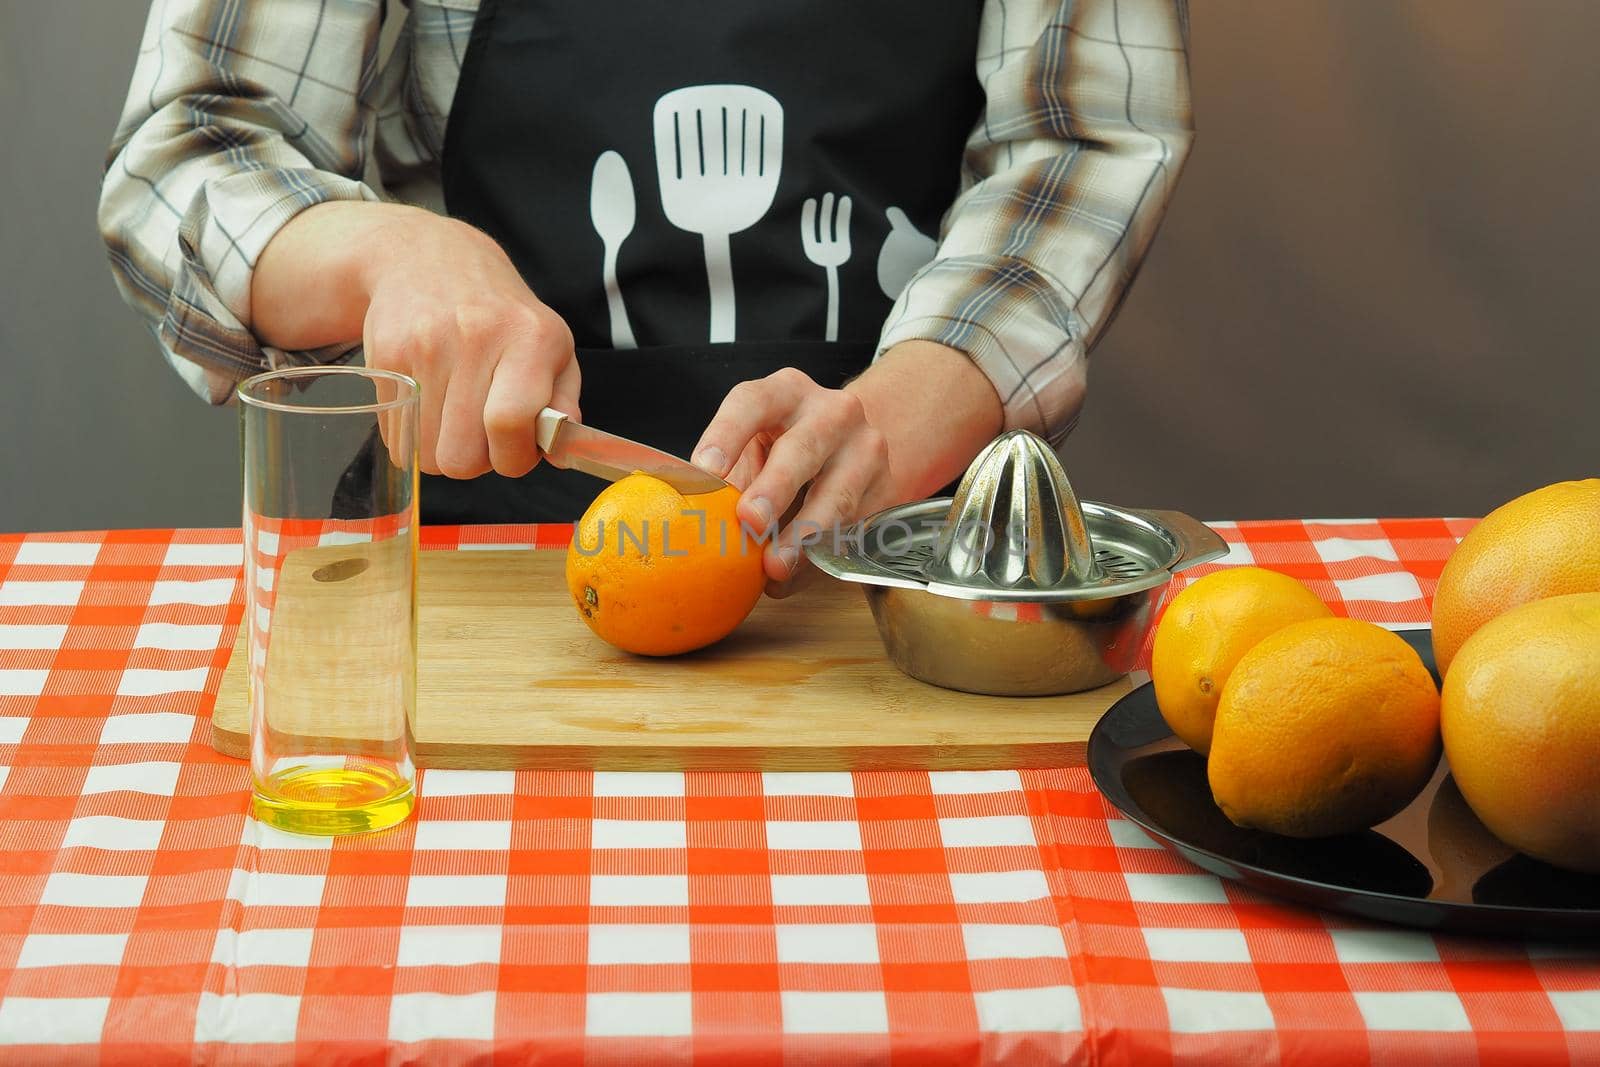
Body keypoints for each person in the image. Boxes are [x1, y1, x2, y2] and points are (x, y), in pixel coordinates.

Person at [99, 0, 1193, 595]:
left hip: (902, 566)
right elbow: (194, 141)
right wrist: (385, 252)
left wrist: (912, 401)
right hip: (473, 566)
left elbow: (1083, 131)